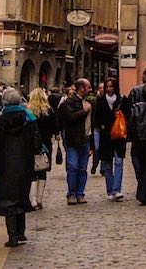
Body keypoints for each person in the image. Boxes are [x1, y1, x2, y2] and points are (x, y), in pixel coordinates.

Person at [0, 87, 43, 248]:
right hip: (25, 163)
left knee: (8, 199)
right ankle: (20, 231)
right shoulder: (29, 119)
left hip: (6, 164)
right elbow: (37, 144)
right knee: (21, 196)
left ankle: (12, 235)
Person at [94, 77, 129, 201]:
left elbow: (128, 115)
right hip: (106, 136)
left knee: (119, 162)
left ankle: (117, 189)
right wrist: (101, 125)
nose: (109, 88)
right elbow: (96, 117)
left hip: (119, 136)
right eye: (107, 86)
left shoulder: (122, 100)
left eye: (111, 86)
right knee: (107, 164)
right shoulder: (100, 100)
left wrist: (121, 115)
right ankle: (110, 190)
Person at [58, 77, 92, 205]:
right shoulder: (69, 102)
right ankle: (71, 193)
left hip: (86, 138)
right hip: (73, 139)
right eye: (88, 87)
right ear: (82, 88)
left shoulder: (89, 101)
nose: (90, 90)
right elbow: (70, 118)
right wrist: (84, 111)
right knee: (73, 167)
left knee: (83, 168)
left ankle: (80, 193)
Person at [27, 87, 58, 209]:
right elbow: (55, 128)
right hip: (45, 144)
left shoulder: (29, 112)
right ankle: (39, 198)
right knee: (43, 170)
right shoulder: (49, 111)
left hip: (31, 145)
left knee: (33, 171)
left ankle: (33, 199)